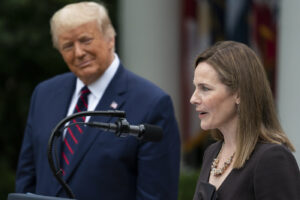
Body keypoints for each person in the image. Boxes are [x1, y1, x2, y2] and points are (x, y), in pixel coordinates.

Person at [15, 2, 181, 200]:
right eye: (67, 45)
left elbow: (156, 195)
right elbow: (26, 178)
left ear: (110, 38)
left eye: (85, 40)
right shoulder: (44, 94)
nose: (78, 52)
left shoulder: (152, 104)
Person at [190, 41, 300, 200]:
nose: (193, 99)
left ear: (239, 94)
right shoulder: (212, 153)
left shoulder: (272, 158)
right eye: (195, 87)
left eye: (205, 88)